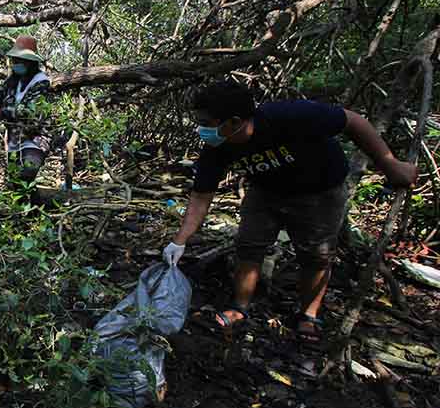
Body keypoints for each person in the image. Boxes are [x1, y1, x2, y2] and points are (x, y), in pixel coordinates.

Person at [163, 80, 418, 342]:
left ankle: (309, 315)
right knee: (249, 246)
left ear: (234, 121)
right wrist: (179, 241)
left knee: (315, 255)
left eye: (206, 122)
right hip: (265, 191)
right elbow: (201, 195)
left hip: (320, 191)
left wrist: (390, 165)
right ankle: (240, 307)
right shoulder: (218, 147)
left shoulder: (290, 116)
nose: (201, 129)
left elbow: (352, 121)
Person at [0, 35, 55, 185]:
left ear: (30, 62)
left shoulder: (41, 83)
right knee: (15, 184)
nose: (16, 64)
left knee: (26, 173)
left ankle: (35, 203)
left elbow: (29, 112)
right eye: (15, 60)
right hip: (14, 139)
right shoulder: (13, 81)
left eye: (20, 61)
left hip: (35, 139)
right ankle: (30, 206)